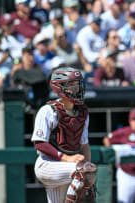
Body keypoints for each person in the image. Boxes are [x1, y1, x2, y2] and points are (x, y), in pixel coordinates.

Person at [31, 67, 98, 203]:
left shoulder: (82, 112)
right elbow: (40, 144)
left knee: (87, 170)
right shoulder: (49, 110)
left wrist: (89, 177)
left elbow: (84, 144)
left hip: (65, 168)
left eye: (77, 84)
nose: (76, 88)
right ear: (58, 87)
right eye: (70, 84)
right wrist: (67, 158)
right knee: (83, 171)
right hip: (47, 164)